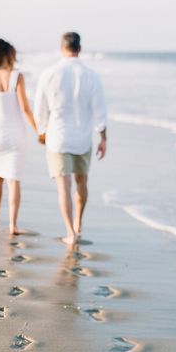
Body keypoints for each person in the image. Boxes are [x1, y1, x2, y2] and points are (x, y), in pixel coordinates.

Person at [34, 32, 107, 245]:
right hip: (83, 138)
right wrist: (103, 137)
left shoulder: (49, 73)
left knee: (63, 187)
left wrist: (42, 131)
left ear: (61, 48)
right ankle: (78, 223)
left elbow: (40, 107)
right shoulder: (92, 75)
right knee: (82, 181)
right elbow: (99, 109)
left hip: (58, 138)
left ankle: (70, 232)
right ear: (80, 48)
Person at [0, 39, 37, 235]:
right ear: (8, 54)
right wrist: (39, 130)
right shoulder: (16, 76)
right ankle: (13, 224)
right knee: (14, 180)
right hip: (16, 134)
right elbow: (25, 108)